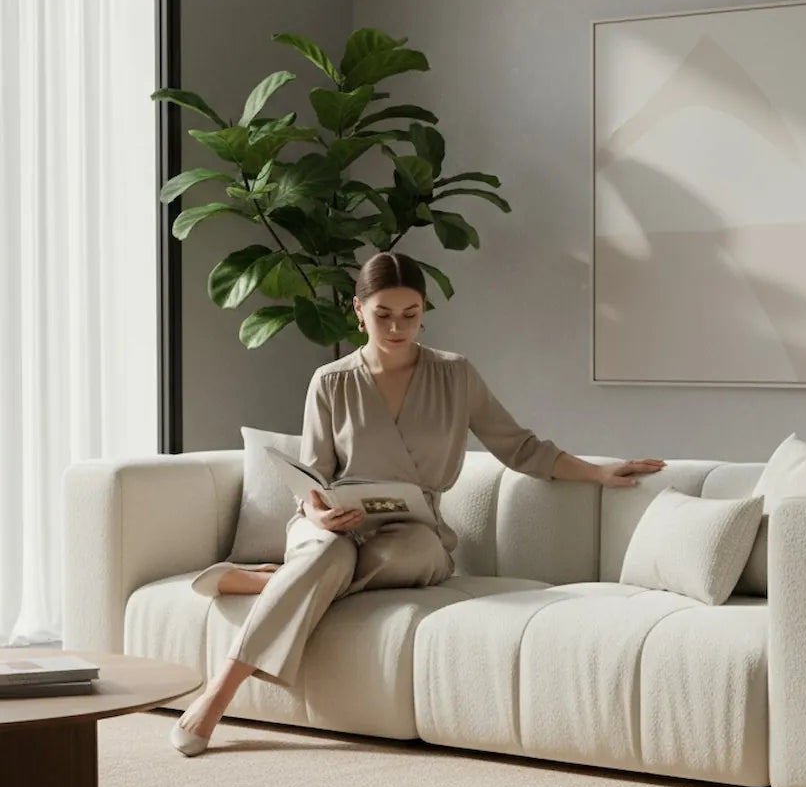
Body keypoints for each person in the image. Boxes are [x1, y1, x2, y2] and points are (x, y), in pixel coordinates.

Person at [170, 251, 666, 756]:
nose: (397, 327)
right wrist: (320, 514)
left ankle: (280, 582)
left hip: (411, 532)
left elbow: (520, 447)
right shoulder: (332, 381)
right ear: (358, 310)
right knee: (324, 553)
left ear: (424, 309)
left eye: (410, 314)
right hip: (332, 527)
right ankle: (218, 693)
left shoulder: (455, 375)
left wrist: (597, 472)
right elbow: (312, 479)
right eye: (383, 314)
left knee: (415, 554)